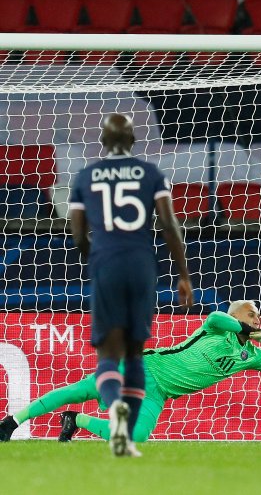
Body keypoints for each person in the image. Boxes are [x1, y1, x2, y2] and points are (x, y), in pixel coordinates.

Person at [0, 301, 261, 443]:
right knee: (78, 389)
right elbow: (215, 316)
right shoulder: (216, 328)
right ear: (236, 316)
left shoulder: (252, 356)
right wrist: (250, 329)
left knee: (136, 437)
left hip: (158, 392)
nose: (256, 317)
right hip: (143, 367)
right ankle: (11, 422)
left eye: (258, 315)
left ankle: (77, 421)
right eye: (250, 313)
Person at [67, 114, 193, 457]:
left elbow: (77, 233)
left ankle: (115, 410)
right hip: (140, 265)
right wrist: (183, 274)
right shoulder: (150, 174)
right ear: (134, 140)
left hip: (107, 264)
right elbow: (168, 224)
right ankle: (127, 432)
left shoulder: (86, 176)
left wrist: (98, 259)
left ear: (103, 142)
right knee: (135, 354)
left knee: (109, 356)